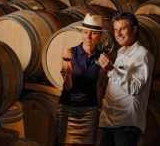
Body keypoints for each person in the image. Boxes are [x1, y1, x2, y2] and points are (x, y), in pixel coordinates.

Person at [98, 12, 154, 146]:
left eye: (122, 29)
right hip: (110, 122)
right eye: (116, 30)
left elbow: (135, 88)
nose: (118, 34)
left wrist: (111, 70)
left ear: (134, 29)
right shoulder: (120, 53)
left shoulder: (142, 55)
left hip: (126, 124)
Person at [57, 13, 109, 145]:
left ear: (100, 36)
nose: (88, 37)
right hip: (69, 109)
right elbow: (67, 87)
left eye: (93, 33)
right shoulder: (69, 52)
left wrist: (99, 110)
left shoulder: (102, 58)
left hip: (89, 112)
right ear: (81, 33)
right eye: (85, 32)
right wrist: (67, 76)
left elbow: (99, 86)